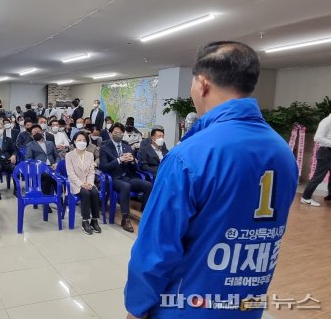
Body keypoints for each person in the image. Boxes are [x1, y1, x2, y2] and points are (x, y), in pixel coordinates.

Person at [124, 41, 299, 319]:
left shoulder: (189, 156)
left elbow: (157, 248)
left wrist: (136, 307)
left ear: (202, 84)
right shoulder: (283, 152)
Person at [99, 123, 152, 233]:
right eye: (116, 133)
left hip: (128, 176)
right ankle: (125, 218)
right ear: (110, 133)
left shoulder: (127, 146)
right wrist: (119, 160)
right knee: (125, 186)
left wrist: (132, 161)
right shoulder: (105, 148)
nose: (118, 135)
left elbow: (134, 169)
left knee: (148, 185)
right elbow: (103, 167)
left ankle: (145, 213)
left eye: (120, 133)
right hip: (114, 178)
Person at [65, 132, 101, 235]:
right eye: (79, 140)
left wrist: (89, 183)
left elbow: (91, 172)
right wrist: (81, 184)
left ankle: (94, 220)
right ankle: (85, 221)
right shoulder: (69, 155)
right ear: (75, 142)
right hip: (75, 184)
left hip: (88, 182)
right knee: (85, 193)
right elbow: (70, 174)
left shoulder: (90, 155)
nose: (82, 142)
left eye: (84, 140)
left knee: (94, 192)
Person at [25, 124, 60, 212]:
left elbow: (57, 156)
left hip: (53, 167)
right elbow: (28, 159)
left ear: (42, 132)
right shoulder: (30, 145)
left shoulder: (50, 143)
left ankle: (60, 199)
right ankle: (46, 203)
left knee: (59, 178)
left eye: (38, 131)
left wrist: (56, 163)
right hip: (40, 169)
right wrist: (39, 166)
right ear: (31, 136)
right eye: (34, 133)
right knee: (48, 178)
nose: (36, 133)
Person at [301, 112, 331, 206]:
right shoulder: (326, 121)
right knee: (318, 177)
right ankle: (305, 197)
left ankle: (330, 195)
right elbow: (317, 138)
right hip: (326, 152)